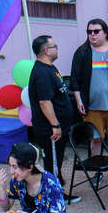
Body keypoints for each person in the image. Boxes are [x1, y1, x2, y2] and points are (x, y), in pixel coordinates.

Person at [68, 18, 108, 154]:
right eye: (89, 32)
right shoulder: (82, 52)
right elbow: (75, 80)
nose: (92, 35)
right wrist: (79, 101)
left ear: (105, 32)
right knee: (95, 139)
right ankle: (97, 172)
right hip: (92, 106)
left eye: (96, 31)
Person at [27, 34, 76, 190]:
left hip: (59, 126)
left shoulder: (50, 68)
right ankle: (53, 195)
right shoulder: (42, 73)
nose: (57, 49)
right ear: (47, 51)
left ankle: (57, 186)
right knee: (53, 162)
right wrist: (55, 125)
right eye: (55, 47)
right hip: (51, 129)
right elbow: (44, 102)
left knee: (57, 159)